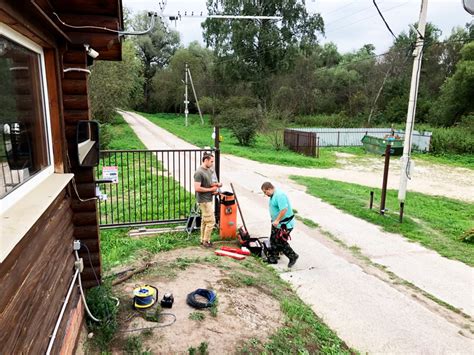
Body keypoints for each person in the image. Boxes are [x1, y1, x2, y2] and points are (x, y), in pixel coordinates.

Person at [261, 181, 299, 267]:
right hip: (276, 223)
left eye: (265, 192)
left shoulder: (279, 195)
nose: (265, 194)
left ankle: (293, 256)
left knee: (280, 242)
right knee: (273, 240)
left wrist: (277, 220)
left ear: (269, 189)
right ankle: (273, 258)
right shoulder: (273, 195)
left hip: (284, 224)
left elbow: (284, 209)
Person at [194, 153, 221, 247]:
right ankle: (206, 241)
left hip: (208, 198)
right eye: (211, 161)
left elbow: (209, 183)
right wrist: (210, 190)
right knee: (211, 221)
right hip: (203, 200)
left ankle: (203, 240)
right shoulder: (199, 172)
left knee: (205, 221)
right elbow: (197, 188)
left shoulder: (209, 170)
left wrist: (216, 185)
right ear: (205, 160)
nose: (212, 163)